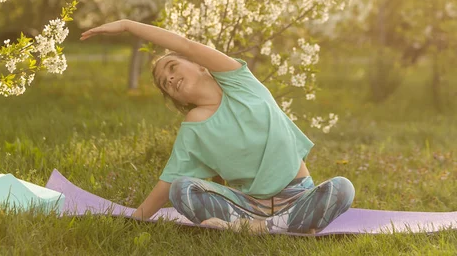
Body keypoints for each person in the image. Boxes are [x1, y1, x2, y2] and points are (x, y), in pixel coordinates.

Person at [80, 19, 355, 234]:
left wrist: (128, 25)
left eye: (173, 67)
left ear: (200, 66)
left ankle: (267, 227)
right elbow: (170, 180)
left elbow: (184, 44)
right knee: (182, 190)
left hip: (298, 193)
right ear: (174, 98)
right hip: (251, 206)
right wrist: (136, 219)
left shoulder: (238, 80)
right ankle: (283, 225)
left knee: (342, 188)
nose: (170, 78)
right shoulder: (195, 124)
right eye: (165, 83)